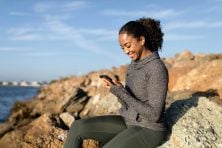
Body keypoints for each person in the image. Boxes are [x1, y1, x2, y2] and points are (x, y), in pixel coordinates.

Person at [64, 17, 169, 148]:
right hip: (128, 121)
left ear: (142, 40)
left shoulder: (156, 68)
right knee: (77, 127)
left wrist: (122, 93)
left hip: (149, 129)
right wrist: (118, 91)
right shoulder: (133, 65)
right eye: (122, 48)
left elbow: (154, 115)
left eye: (128, 45)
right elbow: (129, 104)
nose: (126, 51)